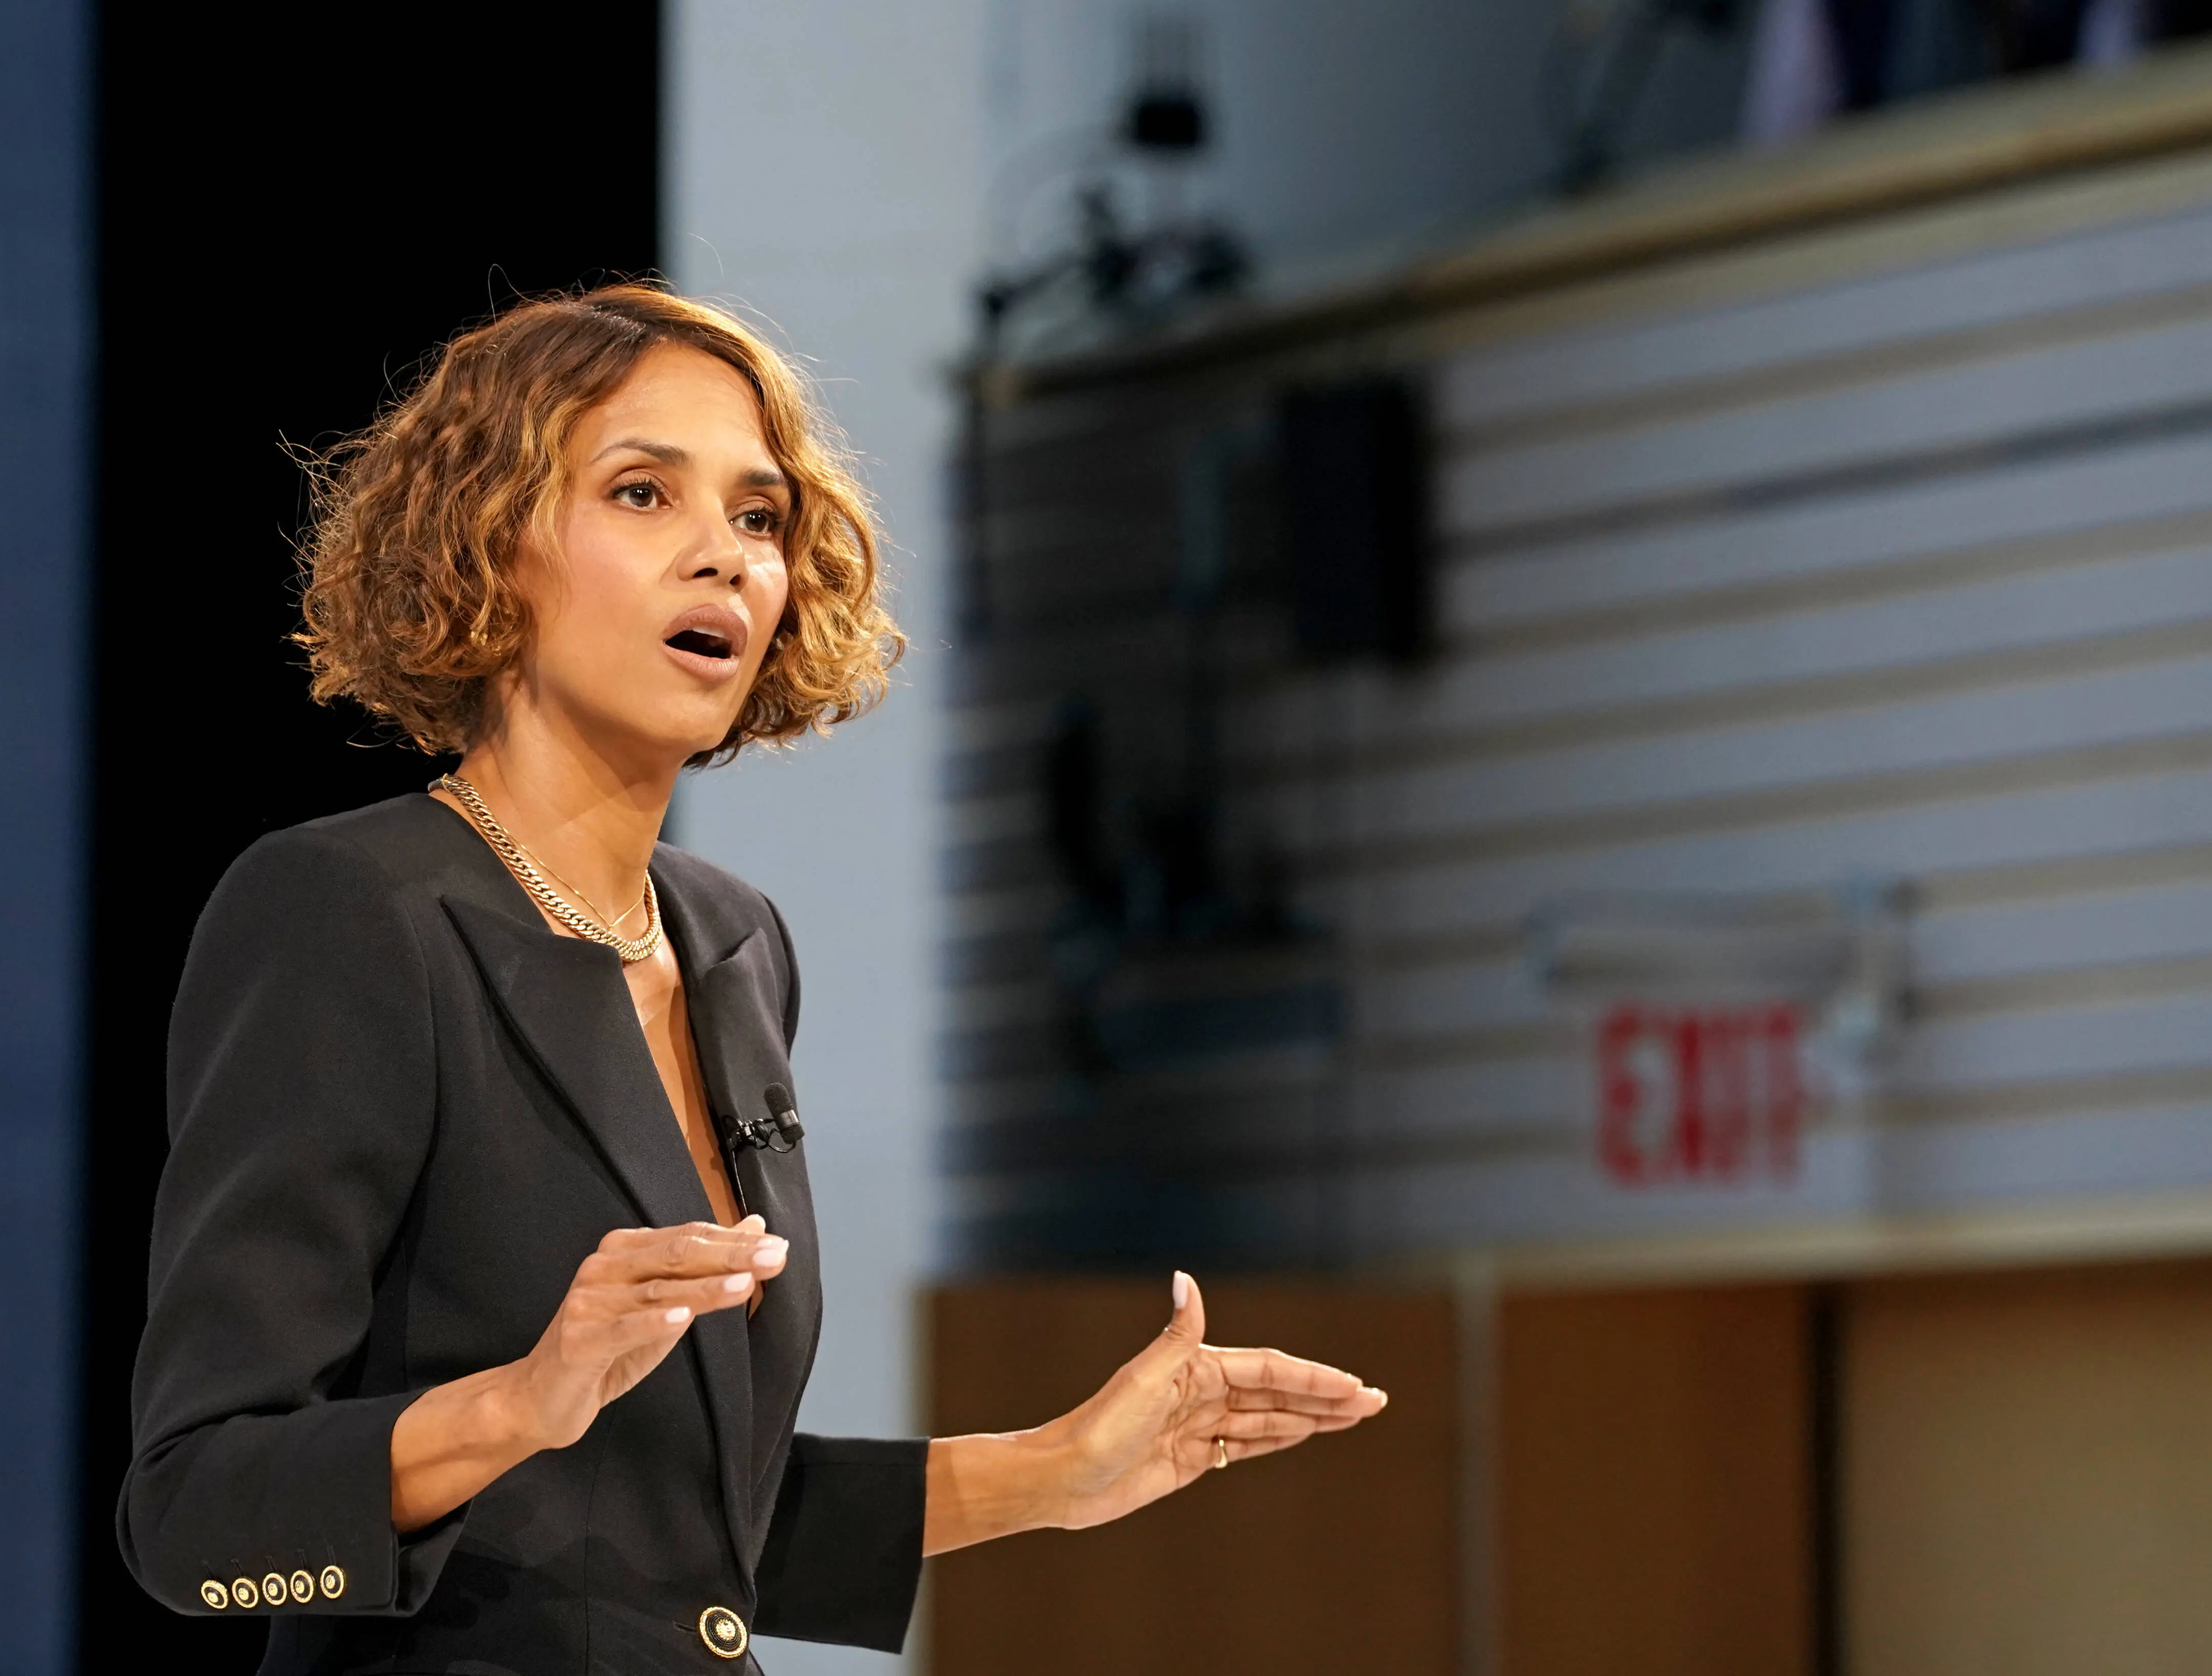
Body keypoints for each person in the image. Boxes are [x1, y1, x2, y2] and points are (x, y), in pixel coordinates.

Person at [116, 283, 1387, 1674]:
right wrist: (524, 1404)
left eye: (760, 517)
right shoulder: (353, 913)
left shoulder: (731, 942)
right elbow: (193, 1517)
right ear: (491, 543)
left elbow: (670, 1531)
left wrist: (1060, 1470)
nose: (723, 556)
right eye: (643, 495)